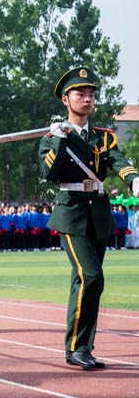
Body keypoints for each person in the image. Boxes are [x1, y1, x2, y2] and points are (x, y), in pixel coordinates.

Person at [39, 66, 139, 370]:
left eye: (91, 94)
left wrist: (133, 179)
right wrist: (58, 140)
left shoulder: (103, 137)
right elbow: (48, 173)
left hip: (97, 212)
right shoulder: (52, 136)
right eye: (80, 93)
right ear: (65, 100)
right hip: (71, 213)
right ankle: (78, 347)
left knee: (85, 282)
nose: (87, 98)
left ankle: (79, 347)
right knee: (91, 276)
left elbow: (117, 160)